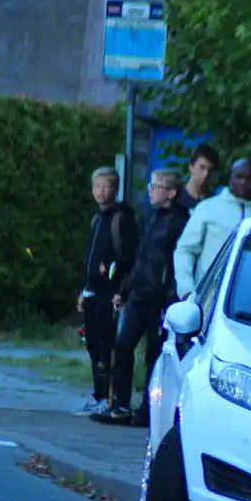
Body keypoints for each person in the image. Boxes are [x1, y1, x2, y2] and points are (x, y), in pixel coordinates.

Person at [99, 170, 191, 425]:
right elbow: (141, 260)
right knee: (123, 345)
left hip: (160, 299)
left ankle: (149, 410)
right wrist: (125, 290)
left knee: (154, 354)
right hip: (140, 294)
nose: (151, 190)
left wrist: (171, 299)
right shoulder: (152, 218)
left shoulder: (179, 222)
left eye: (156, 186)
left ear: (171, 193)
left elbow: (176, 265)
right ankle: (120, 404)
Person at [76, 166, 138, 416]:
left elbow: (131, 255)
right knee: (92, 345)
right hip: (93, 293)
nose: (101, 192)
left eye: (107, 187)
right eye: (97, 187)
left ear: (116, 189)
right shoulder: (97, 218)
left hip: (109, 294)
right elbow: (89, 258)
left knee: (106, 346)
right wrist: (84, 289)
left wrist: (112, 271)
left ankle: (109, 398)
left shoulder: (121, 218)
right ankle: (98, 394)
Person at [174, 158, 251, 299]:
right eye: (239, 177)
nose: (244, 182)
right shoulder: (207, 208)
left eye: (249, 178)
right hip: (207, 299)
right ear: (230, 178)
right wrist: (186, 290)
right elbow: (185, 251)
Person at [177, 144, 220, 211]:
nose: (206, 174)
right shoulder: (175, 198)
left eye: (210, 170)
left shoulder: (215, 202)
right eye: (202, 167)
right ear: (191, 167)